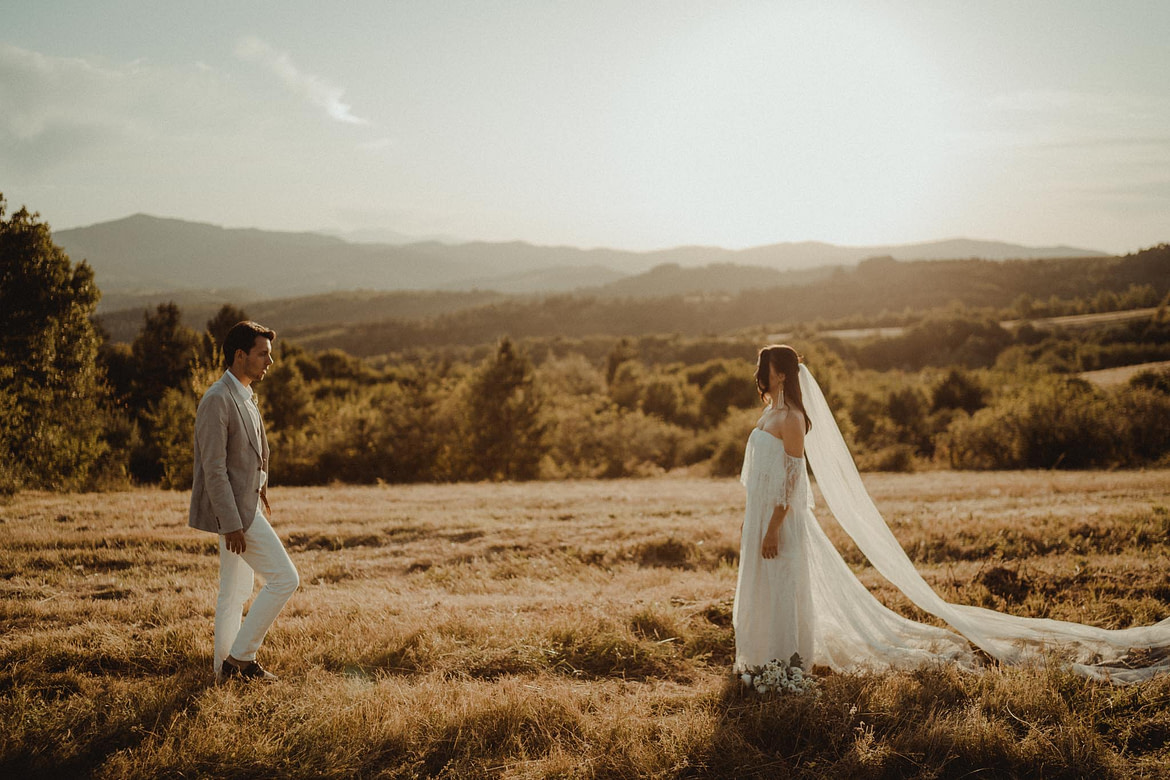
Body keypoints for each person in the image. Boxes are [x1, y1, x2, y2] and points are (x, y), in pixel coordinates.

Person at [734, 344, 1170, 684]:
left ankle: (789, 663)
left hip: (782, 522)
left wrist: (773, 527)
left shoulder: (791, 418)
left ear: (781, 373)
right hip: (760, 519)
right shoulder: (768, 413)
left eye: (764, 367)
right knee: (765, 586)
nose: (759, 373)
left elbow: (793, 481)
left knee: (786, 585)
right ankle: (762, 659)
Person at [189, 320, 299, 682]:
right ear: (240, 355)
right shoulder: (217, 399)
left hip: (246, 506)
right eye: (262, 354)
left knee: (234, 592)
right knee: (285, 579)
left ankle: (224, 670)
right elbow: (215, 469)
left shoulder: (245, 393)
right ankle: (241, 659)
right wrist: (233, 523)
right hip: (236, 515)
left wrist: (261, 487)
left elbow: (250, 454)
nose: (270, 361)